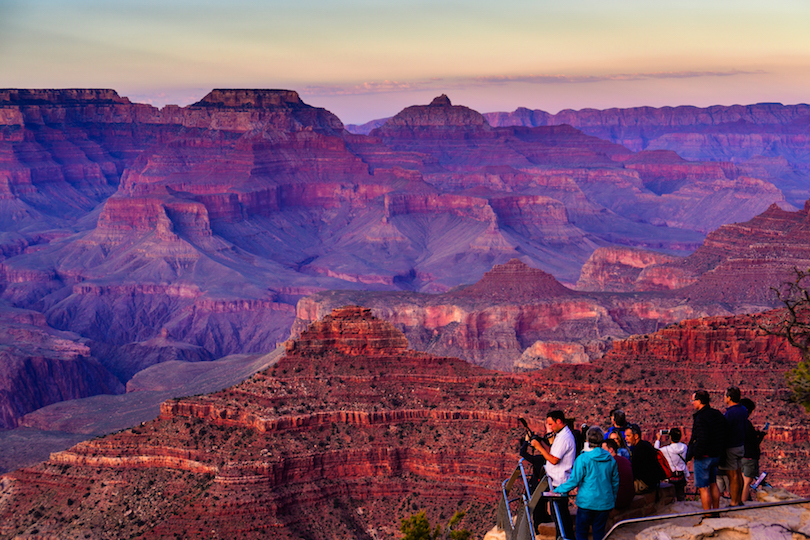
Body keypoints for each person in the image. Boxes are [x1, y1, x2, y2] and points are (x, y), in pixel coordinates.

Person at [554, 427, 619, 540]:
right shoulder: (610, 459)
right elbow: (615, 482)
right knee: (599, 534)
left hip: (586, 503)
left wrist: (557, 490)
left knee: (581, 533)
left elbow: (574, 481)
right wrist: (612, 499)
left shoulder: (583, 458)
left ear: (587, 440)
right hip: (604, 502)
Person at [530, 410, 576, 538]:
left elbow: (554, 460)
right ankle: (563, 536)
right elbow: (552, 452)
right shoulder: (560, 435)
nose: (549, 427)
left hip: (559, 482)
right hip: (555, 481)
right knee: (558, 514)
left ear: (559, 421)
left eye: (551, 424)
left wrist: (538, 448)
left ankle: (565, 537)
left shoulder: (564, 437)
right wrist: (542, 443)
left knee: (560, 515)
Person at [686, 390, 729, 512]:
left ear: (699, 401)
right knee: (713, 484)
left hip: (704, 457)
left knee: (703, 487)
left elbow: (701, 438)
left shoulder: (701, 417)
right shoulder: (717, 414)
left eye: (693, 401)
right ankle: (715, 511)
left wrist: (696, 453)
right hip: (716, 455)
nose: (692, 403)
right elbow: (724, 433)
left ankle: (707, 515)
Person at [722, 386, 747, 506]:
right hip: (740, 445)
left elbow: (725, 430)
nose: (724, 398)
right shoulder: (743, 410)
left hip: (731, 446)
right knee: (738, 472)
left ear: (729, 398)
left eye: (725, 396)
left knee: (732, 476)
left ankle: (734, 502)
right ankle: (739, 500)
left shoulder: (730, 413)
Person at [739, 398, 767, 502]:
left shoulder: (737, 422)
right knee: (747, 483)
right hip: (749, 457)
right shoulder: (747, 424)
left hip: (739, 455)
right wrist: (761, 435)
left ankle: (737, 501)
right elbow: (754, 442)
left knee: (741, 482)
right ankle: (742, 505)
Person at [624, 424, 661, 494]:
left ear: (636, 436)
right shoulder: (646, 444)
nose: (626, 438)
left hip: (645, 484)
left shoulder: (638, 450)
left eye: (628, 436)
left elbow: (635, 471)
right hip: (654, 482)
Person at [655, 428, 689, 500]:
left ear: (670, 437)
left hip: (671, 477)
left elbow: (655, 450)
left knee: (671, 497)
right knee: (681, 496)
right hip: (681, 475)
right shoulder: (684, 447)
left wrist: (658, 439)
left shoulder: (666, 449)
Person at [603, 438, 634, 509]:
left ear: (610, 450)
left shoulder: (609, 463)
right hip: (629, 497)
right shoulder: (625, 460)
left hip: (618, 500)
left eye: (603, 449)